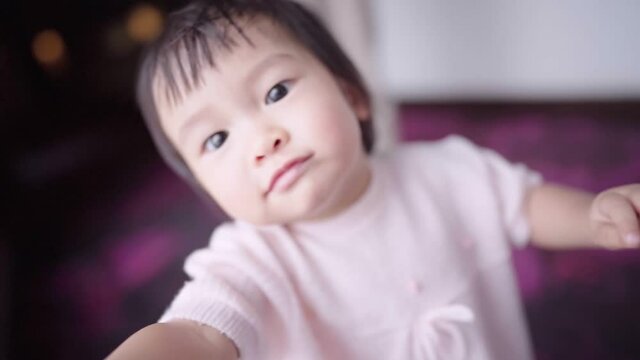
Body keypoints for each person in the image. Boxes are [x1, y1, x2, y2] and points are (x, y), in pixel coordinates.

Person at [108, 0, 640, 359]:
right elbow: (198, 331)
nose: (261, 140)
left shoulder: (446, 172)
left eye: (275, 93)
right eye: (217, 139)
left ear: (354, 96)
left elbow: (524, 204)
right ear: (206, 189)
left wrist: (593, 218)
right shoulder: (252, 262)